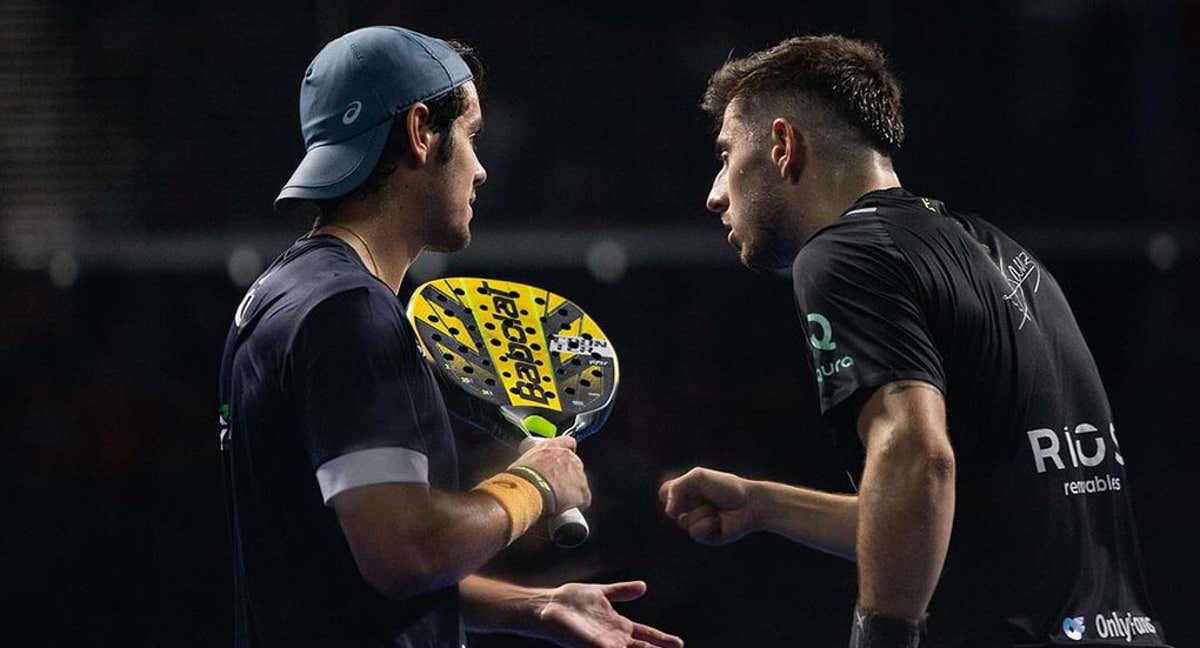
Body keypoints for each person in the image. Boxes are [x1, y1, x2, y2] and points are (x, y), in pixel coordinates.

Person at [658, 35, 1169, 648]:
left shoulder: (842, 255)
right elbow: (936, 513)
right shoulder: (996, 252)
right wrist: (764, 506)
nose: (715, 193)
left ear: (782, 145)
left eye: (725, 154)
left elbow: (919, 460)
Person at [219, 26, 683, 648]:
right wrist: (534, 486)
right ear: (419, 132)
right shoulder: (350, 312)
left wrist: (536, 605)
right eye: (470, 134)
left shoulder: (280, 294)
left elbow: (349, 563)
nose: (481, 169)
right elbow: (403, 552)